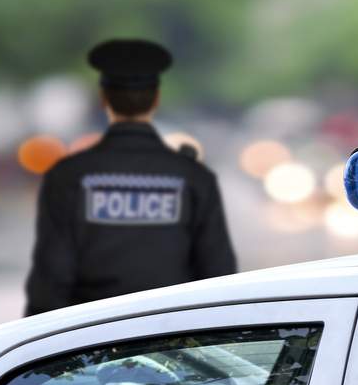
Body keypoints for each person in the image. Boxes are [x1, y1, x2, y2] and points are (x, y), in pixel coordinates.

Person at [24, 39, 237, 316]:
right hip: (171, 341)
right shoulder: (195, 178)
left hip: (91, 344)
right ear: (156, 99)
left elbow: (51, 281)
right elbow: (218, 278)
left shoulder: (67, 177)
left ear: (104, 99)